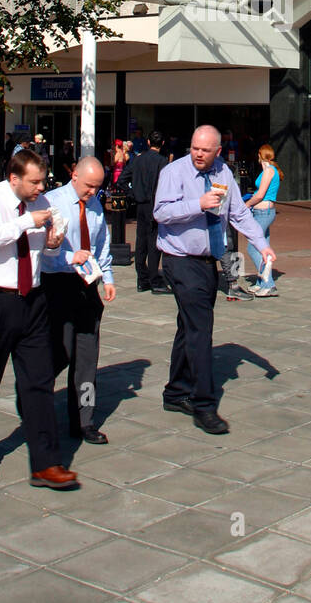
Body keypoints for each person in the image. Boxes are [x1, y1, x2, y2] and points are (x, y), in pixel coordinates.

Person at [0, 145, 79, 490]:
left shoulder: (42, 204)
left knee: (39, 381)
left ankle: (46, 462)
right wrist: (26, 221)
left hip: (34, 300)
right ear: (14, 179)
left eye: (43, 182)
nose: (41, 188)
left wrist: (55, 242)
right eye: (35, 182)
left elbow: (47, 249)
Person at [153, 125, 276, 434]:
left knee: (188, 326)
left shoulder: (224, 174)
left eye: (205, 150)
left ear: (217, 151)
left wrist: (261, 244)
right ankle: (204, 404)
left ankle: (175, 392)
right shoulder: (173, 172)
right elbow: (160, 213)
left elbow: (239, 214)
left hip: (210, 261)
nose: (198, 154)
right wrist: (197, 205)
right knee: (200, 328)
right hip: (179, 260)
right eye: (195, 148)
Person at [43, 157, 116, 444]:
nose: (92, 192)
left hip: (88, 283)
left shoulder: (95, 205)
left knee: (87, 357)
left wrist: (108, 278)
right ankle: (35, 394)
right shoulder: (52, 202)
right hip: (58, 282)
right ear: (74, 175)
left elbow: (101, 245)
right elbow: (40, 250)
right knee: (60, 351)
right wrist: (67, 257)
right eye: (88, 186)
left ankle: (83, 419)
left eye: (97, 187)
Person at [117, 130, 170, 294]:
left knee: (141, 241)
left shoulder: (138, 160)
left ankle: (142, 279)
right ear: (162, 144)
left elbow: (121, 180)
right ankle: (154, 280)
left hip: (140, 204)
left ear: (148, 142)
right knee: (154, 242)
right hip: (154, 205)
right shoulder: (162, 162)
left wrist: (133, 194)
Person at [244, 144, 281, 297]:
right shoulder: (269, 170)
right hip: (263, 212)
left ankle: (268, 283)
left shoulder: (268, 171)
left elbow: (260, 195)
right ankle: (261, 283)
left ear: (261, 155)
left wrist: (246, 204)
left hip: (263, 212)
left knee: (253, 246)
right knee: (262, 245)